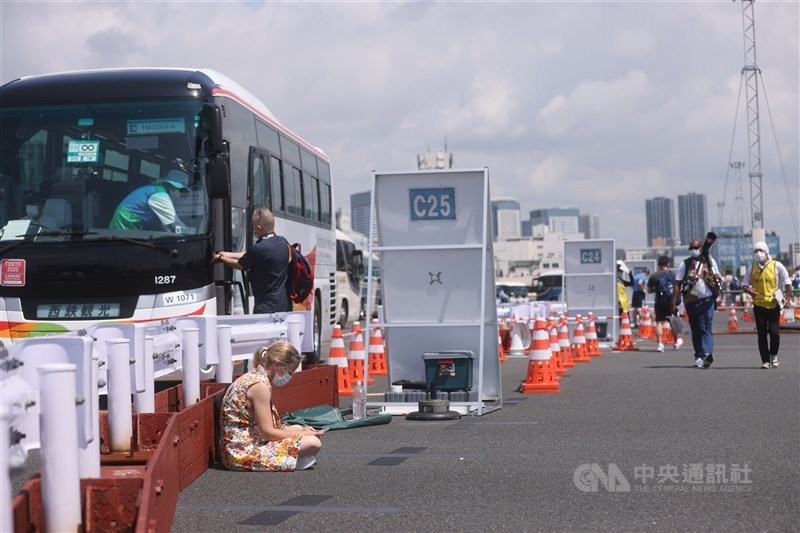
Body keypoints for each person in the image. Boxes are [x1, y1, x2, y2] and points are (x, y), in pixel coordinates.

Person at [220, 341, 324, 471]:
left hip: (242, 444)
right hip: (243, 453)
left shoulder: (255, 378)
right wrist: (303, 434)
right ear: (278, 365)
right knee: (313, 443)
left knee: (299, 428)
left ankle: (289, 461)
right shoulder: (260, 386)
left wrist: (302, 431)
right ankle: (285, 462)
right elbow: (267, 433)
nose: (289, 377)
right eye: (289, 372)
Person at [213, 207, 292, 313]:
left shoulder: (259, 248)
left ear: (259, 228)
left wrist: (222, 258)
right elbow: (250, 256)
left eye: (254, 228)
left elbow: (241, 264)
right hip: (284, 307)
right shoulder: (283, 242)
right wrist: (227, 254)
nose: (254, 231)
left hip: (265, 309)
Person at [741, 241, 792, 369]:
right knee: (761, 334)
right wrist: (748, 290)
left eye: (760, 251)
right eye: (756, 251)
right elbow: (744, 284)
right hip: (758, 305)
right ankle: (765, 360)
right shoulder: (752, 267)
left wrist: (788, 298)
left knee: (774, 333)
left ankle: (774, 355)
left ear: (766, 252)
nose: (758, 253)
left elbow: (787, 281)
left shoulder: (776, 265)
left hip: (773, 304)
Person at [673, 238, 721, 369]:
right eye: (691, 248)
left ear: (701, 248)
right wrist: (674, 303)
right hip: (691, 301)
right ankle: (698, 355)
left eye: (696, 247)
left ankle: (707, 354)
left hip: (707, 300)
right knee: (695, 329)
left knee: (705, 327)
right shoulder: (686, 264)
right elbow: (677, 283)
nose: (694, 250)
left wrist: (716, 277)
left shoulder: (710, 261)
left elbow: (718, 277)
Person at [109, 170, 190, 232]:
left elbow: (163, 224)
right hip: (126, 222)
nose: (179, 196)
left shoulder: (155, 189)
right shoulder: (160, 195)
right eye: (181, 192)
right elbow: (174, 221)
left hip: (129, 221)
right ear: (173, 188)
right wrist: (191, 233)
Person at [647, 256, 683, 353]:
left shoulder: (654, 276)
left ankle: (660, 344)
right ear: (668, 264)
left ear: (658, 265)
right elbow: (677, 287)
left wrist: (657, 289)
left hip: (660, 302)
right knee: (673, 323)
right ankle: (675, 343)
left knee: (659, 323)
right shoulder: (672, 275)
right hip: (672, 302)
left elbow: (649, 290)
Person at [616, 260, 633, 324]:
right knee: (621, 323)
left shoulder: (621, 281)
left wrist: (630, 273)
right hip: (619, 304)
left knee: (626, 323)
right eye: (619, 271)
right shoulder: (614, 281)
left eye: (622, 271)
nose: (621, 273)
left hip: (625, 304)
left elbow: (632, 283)